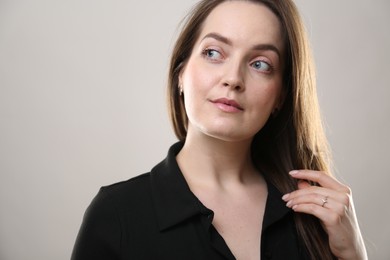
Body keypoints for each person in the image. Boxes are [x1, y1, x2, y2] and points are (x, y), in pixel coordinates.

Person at [71, 0, 367, 259]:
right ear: (180, 73)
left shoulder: (315, 216)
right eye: (214, 53)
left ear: (280, 96)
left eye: (260, 64)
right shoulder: (117, 215)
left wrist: (354, 255)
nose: (233, 78)